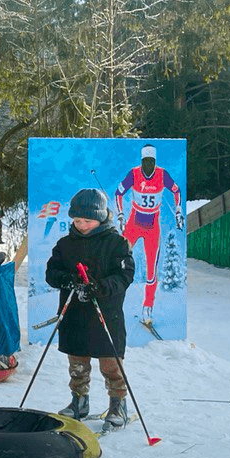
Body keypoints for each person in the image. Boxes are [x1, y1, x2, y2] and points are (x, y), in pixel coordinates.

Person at [46, 188, 136, 430]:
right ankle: (79, 401)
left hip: (106, 312)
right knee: (77, 361)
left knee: (110, 363)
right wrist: (69, 280)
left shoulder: (117, 243)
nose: (82, 225)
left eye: (87, 220)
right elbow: (51, 273)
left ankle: (118, 403)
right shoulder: (65, 244)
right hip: (75, 312)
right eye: (77, 220)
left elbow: (125, 274)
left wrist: (100, 287)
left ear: (102, 217)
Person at [114, 143, 182, 324]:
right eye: (146, 162)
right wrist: (120, 214)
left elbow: (176, 190)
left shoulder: (162, 174)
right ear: (141, 161)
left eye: (151, 162)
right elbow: (118, 193)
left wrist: (178, 211)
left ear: (155, 162)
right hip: (134, 224)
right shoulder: (134, 173)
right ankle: (111, 299)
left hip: (153, 227)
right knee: (116, 258)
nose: (148, 166)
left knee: (152, 269)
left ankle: (148, 307)